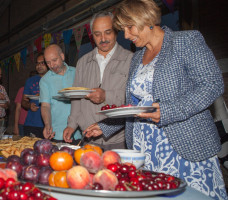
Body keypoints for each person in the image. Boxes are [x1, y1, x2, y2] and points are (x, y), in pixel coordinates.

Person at [84, 0, 227, 199]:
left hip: (184, 143)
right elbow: (134, 106)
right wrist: (106, 126)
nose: (126, 35)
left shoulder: (186, 41)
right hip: (147, 148)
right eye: (123, 29)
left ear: (146, 20)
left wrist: (170, 110)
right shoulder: (137, 57)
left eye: (129, 27)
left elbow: (212, 84)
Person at [63, 11, 133, 150]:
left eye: (108, 32)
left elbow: (133, 100)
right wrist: (72, 124)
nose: (103, 38)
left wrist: (107, 95)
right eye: (97, 34)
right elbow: (76, 97)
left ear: (116, 31)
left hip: (118, 139)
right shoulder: (83, 62)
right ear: (92, 35)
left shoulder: (130, 59)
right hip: (89, 137)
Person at [40, 44, 81, 143]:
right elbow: (45, 106)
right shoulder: (45, 80)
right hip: (57, 133)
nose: (52, 65)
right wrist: (47, 124)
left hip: (80, 131)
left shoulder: (77, 72)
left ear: (62, 56)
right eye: (48, 63)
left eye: (54, 60)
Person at [21, 53, 48, 138]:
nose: (39, 66)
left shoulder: (53, 79)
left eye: (42, 63)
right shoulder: (30, 81)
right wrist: (29, 105)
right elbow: (23, 101)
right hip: (32, 124)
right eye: (37, 63)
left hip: (49, 125)